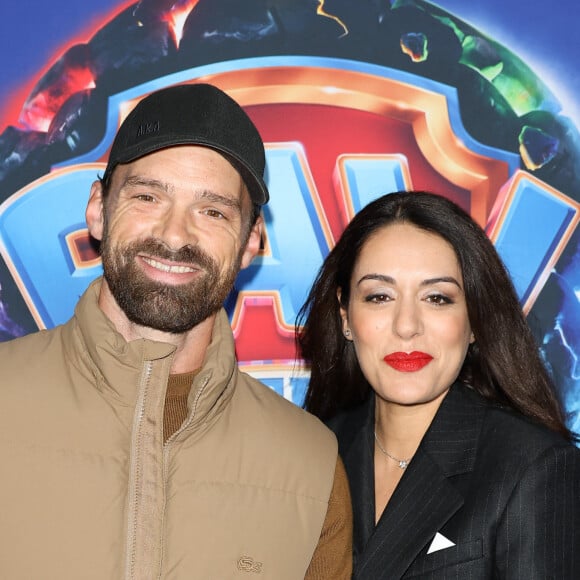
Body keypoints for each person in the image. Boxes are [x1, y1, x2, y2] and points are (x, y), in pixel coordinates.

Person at [0, 83, 352, 579]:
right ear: (98, 208)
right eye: (147, 196)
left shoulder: (310, 466)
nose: (173, 235)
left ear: (252, 239)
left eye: (212, 211)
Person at [297, 191, 580, 579]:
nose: (406, 325)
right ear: (346, 315)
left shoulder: (531, 468)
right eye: (379, 296)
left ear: (474, 321)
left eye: (437, 298)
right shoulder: (311, 452)